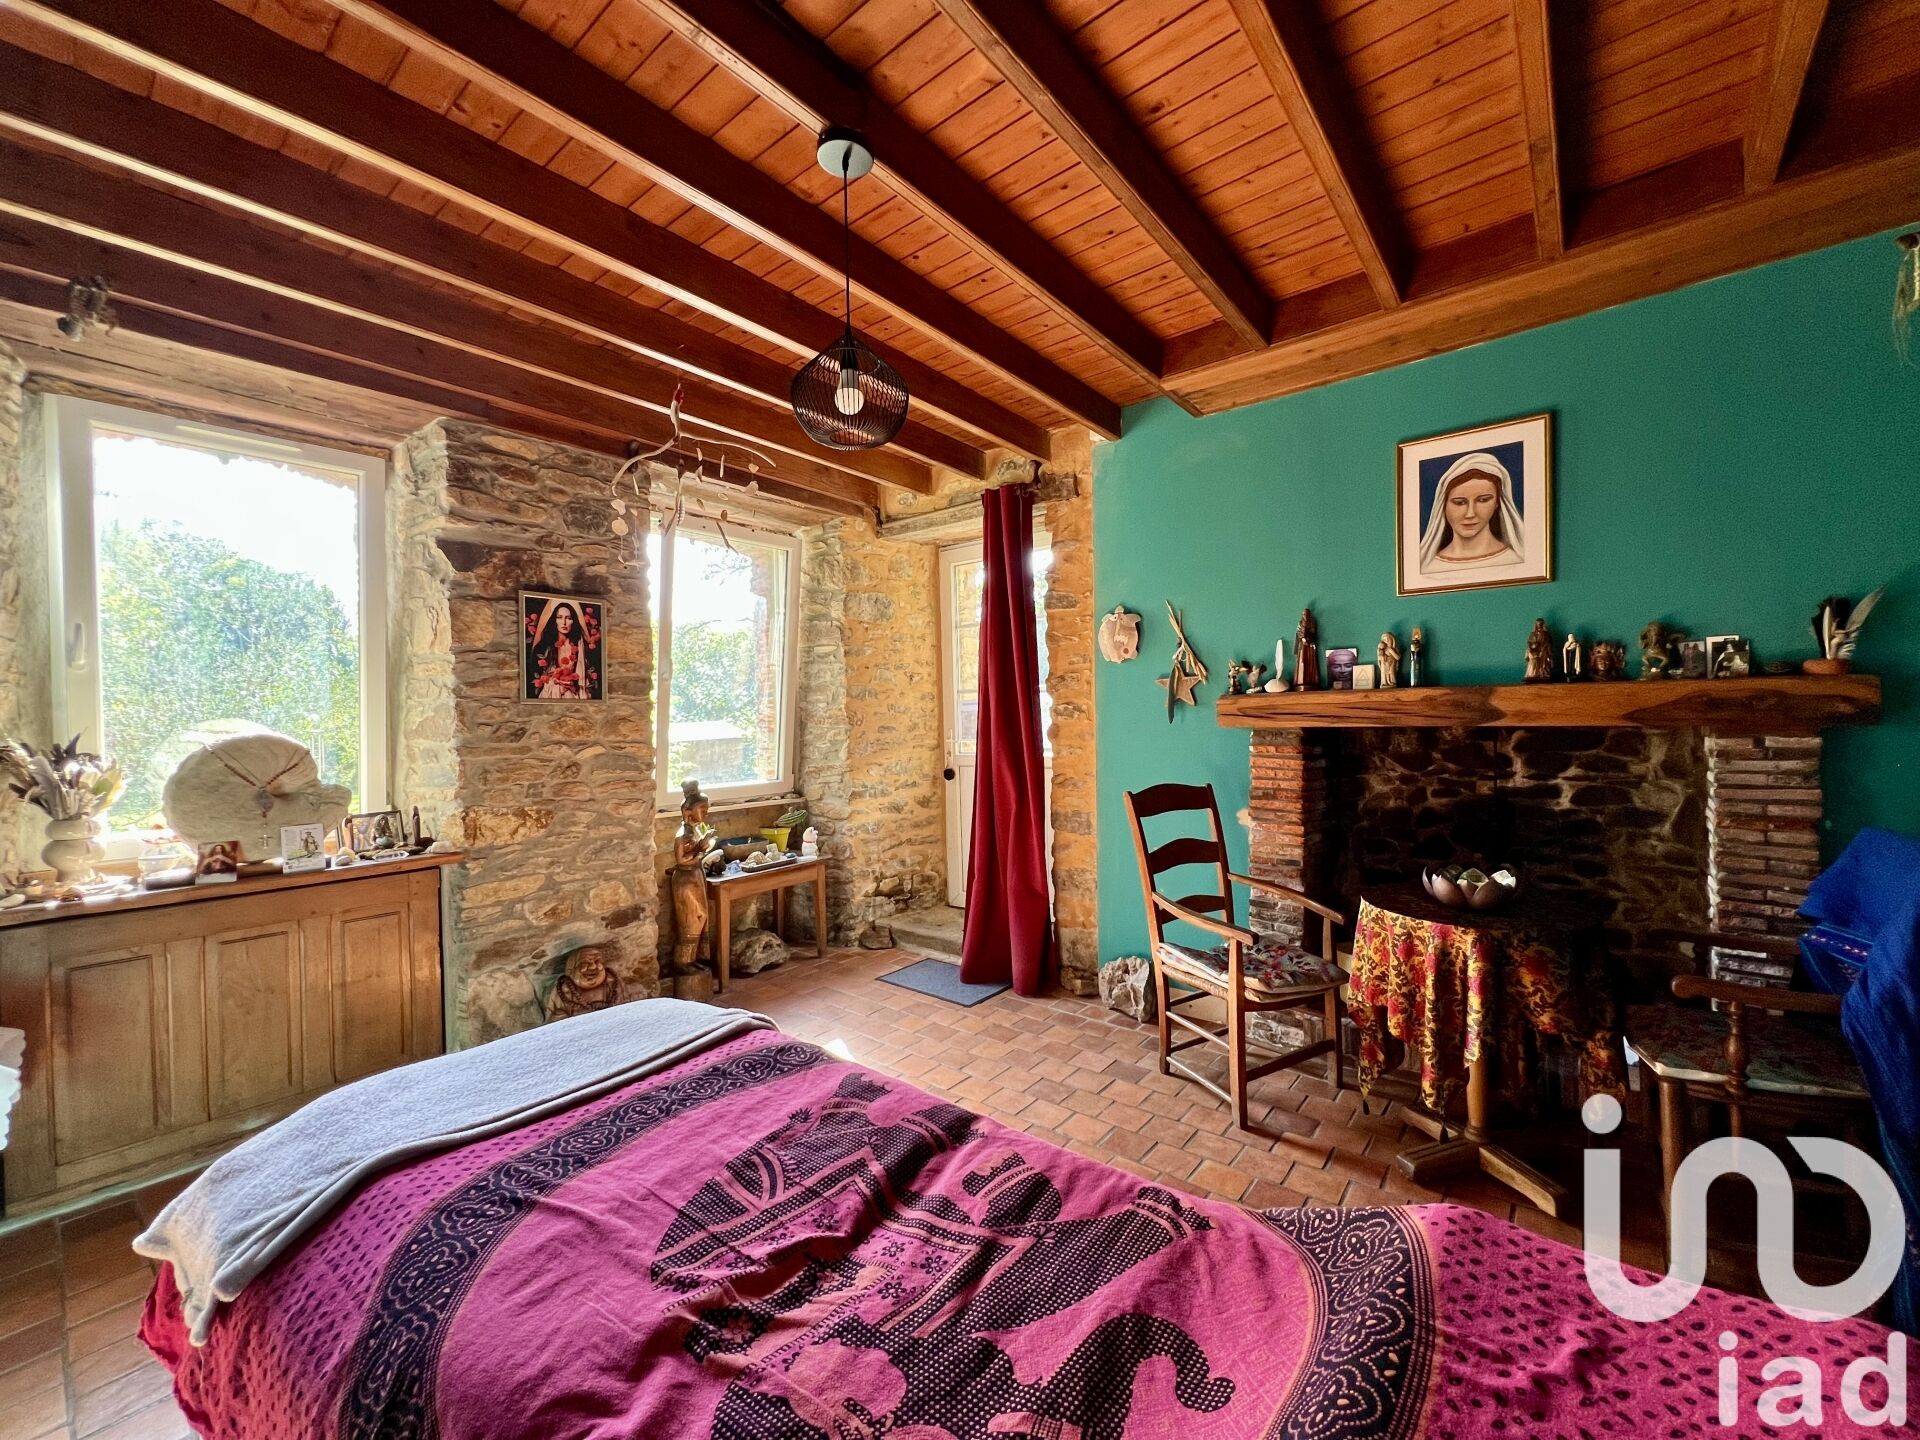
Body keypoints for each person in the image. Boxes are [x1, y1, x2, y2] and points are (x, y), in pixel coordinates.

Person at [1418, 452, 1526, 572]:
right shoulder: (1427, 567)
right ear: (1443, 505)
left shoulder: (1516, 561)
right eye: (1459, 502)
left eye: (1483, 500)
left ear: (1497, 503)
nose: (1470, 514)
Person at [528, 599, 597, 699]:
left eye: (568, 618)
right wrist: (557, 683)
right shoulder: (546, 646)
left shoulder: (579, 646)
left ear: (573, 621)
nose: (564, 622)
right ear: (555, 620)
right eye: (559, 617)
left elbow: (583, 679)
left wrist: (573, 686)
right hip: (551, 693)